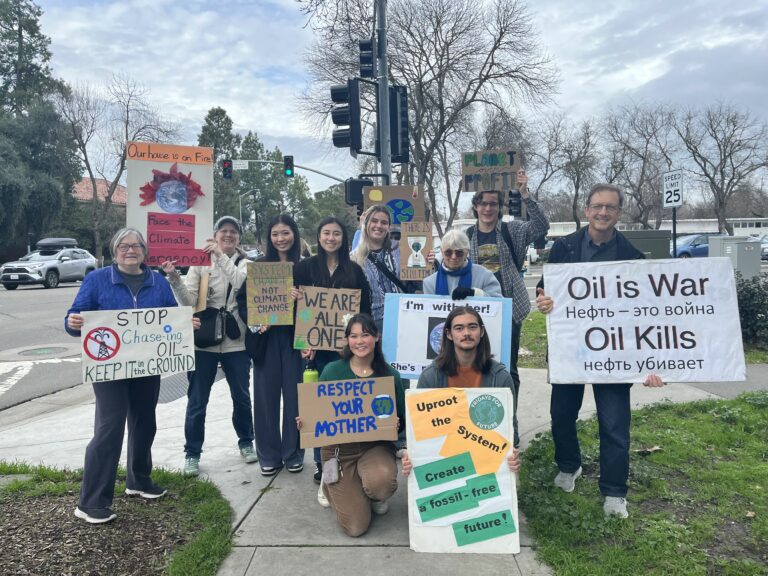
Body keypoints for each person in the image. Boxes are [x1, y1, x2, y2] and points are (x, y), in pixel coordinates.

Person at [535, 183, 664, 518]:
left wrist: (652, 363)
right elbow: (545, 287)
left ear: (619, 212)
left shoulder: (632, 256)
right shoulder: (564, 247)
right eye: (597, 207)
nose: (603, 213)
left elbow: (645, 310)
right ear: (587, 210)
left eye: (610, 207)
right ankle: (569, 466)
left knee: (615, 423)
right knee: (562, 416)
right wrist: (543, 298)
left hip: (615, 356)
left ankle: (614, 492)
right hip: (570, 350)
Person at [65, 227, 186, 524]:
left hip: (147, 365)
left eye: (136, 246)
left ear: (145, 252)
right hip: (109, 368)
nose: (130, 250)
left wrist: (186, 325)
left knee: (145, 422)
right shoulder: (97, 280)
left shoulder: (157, 281)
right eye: (123, 246)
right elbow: (75, 318)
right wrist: (73, 322)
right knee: (110, 426)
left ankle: (139, 480)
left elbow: (171, 316)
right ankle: (91, 500)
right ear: (114, 250)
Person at [162, 216, 256, 477]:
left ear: (238, 238)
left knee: (241, 396)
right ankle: (192, 453)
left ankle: (246, 441)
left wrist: (219, 256)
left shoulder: (246, 263)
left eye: (233, 232)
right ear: (215, 234)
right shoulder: (199, 263)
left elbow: (239, 282)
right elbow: (188, 300)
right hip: (204, 341)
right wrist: (173, 278)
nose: (228, 236)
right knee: (197, 400)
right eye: (223, 231)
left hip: (236, 342)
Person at [297, 313, 405, 537]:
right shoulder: (332, 371)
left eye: (365, 335)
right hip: (338, 450)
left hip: (375, 447)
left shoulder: (390, 375)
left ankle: (372, 492)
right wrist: (306, 421)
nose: (360, 341)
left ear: (376, 337)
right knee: (356, 527)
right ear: (347, 340)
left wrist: (396, 421)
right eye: (354, 336)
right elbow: (319, 414)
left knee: (382, 484)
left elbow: (402, 422)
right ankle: (329, 484)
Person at [467, 169, 549, 448]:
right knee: (476, 368)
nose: (488, 208)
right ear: (475, 206)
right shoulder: (467, 236)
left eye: (493, 203)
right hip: (476, 316)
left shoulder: (511, 230)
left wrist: (525, 194)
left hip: (509, 313)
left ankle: (509, 430)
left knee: (508, 370)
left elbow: (540, 227)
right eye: (483, 203)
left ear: (499, 207)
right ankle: (478, 426)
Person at [293, 216, 372, 498]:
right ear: (319, 236)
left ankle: (350, 464)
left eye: (336, 234)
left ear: (343, 237)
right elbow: (299, 310)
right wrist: (303, 340)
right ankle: (322, 466)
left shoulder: (354, 270)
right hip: (315, 353)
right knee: (319, 411)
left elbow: (365, 307)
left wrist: (353, 344)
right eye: (326, 233)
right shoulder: (304, 268)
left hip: (347, 353)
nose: (331, 238)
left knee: (346, 409)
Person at [401, 306, 520, 476]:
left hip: (485, 454)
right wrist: (412, 455)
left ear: (482, 332)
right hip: (444, 458)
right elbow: (421, 430)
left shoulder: (500, 378)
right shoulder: (430, 377)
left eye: (472, 327)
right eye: (459, 328)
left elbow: (510, 428)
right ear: (449, 334)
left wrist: (512, 454)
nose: (466, 333)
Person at [236, 214, 304, 476]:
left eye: (285, 232)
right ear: (269, 238)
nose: (280, 238)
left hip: (296, 340)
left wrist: (301, 300)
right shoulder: (259, 267)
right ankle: (268, 454)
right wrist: (256, 323)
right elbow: (242, 302)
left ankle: (294, 452)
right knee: (265, 399)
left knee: (296, 397)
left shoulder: (305, 267)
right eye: (275, 234)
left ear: (294, 234)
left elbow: (315, 305)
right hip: (266, 340)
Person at [351, 205, 408, 331]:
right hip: (372, 323)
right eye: (374, 221)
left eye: (384, 222)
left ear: (388, 227)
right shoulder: (354, 258)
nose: (379, 225)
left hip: (403, 317)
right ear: (366, 223)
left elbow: (416, 281)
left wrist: (426, 262)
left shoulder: (401, 249)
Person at [423, 229, 502, 298]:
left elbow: (500, 305)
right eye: (448, 252)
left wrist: (475, 293)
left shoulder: (485, 276)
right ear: (442, 252)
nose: (453, 257)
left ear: (467, 252)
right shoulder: (430, 282)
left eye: (459, 253)